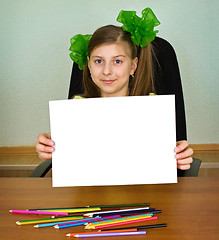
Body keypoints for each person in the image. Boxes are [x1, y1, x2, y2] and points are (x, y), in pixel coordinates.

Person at [36, 8, 193, 170]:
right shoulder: (77, 107)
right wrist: (50, 145)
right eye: (98, 61)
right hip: (92, 193)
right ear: (88, 65)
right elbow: (72, 158)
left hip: (145, 193)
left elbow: (165, 160)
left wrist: (179, 158)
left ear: (133, 66)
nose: (106, 71)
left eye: (117, 61)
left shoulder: (153, 108)